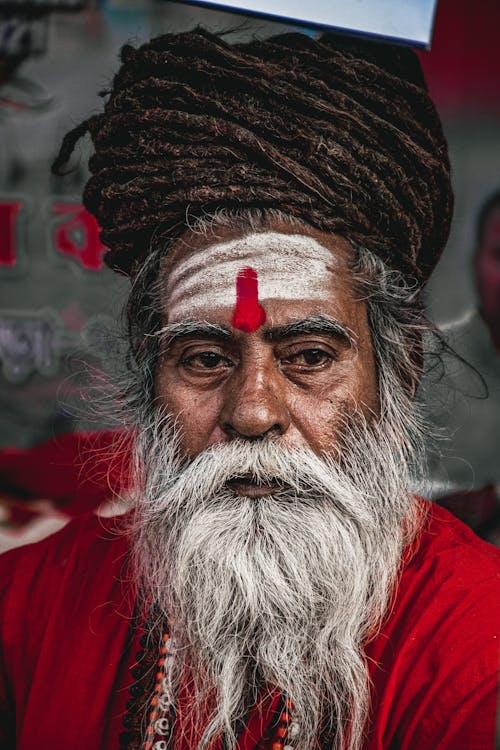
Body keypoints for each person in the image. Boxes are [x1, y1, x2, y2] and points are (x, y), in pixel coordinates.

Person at [1, 28, 499, 750]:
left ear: (400, 368)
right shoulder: (32, 609)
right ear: (148, 373)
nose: (253, 411)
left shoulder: (475, 650)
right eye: (203, 359)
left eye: (308, 356)